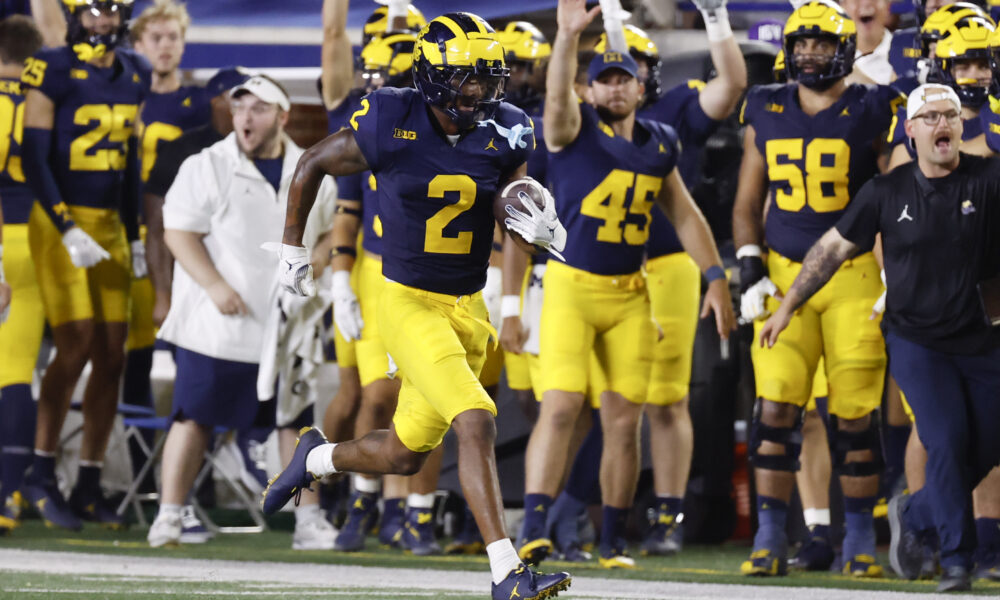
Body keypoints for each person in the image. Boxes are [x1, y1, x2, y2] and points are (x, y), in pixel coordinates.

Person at [262, 12, 571, 600]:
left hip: (468, 306)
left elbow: (513, 202)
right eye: (467, 79)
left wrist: (539, 225)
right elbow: (310, 165)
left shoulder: (507, 128)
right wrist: (293, 250)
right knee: (475, 420)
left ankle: (317, 459)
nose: (479, 91)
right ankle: (507, 572)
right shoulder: (390, 118)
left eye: (487, 78)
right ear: (431, 76)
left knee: (405, 454)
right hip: (406, 305)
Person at [519, 0, 735, 570]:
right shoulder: (571, 129)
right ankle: (534, 528)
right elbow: (556, 100)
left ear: (642, 88)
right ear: (590, 91)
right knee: (561, 406)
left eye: (624, 80)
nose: (614, 89)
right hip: (571, 285)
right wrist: (567, 37)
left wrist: (715, 277)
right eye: (604, 81)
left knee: (624, 418)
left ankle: (612, 538)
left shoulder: (662, 141)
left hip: (630, 292)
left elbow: (685, 214)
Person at [760, 83, 1000, 593]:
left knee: (988, 443)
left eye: (950, 115)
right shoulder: (886, 190)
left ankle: (916, 514)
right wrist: (787, 306)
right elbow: (830, 249)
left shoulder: (989, 178)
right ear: (909, 131)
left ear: (962, 126)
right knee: (949, 441)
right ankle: (957, 560)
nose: (942, 124)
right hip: (917, 341)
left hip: (983, 339)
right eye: (930, 116)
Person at [733, 0, 906, 577]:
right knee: (776, 410)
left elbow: (891, 193)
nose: (809, 54)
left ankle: (859, 539)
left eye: (821, 44)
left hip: (854, 273)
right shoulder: (764, 104)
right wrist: (749, 262)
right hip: (783, 272)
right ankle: (770, 535)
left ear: (844, 50)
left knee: (855, 415)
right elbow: (747, 200)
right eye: (800, 44)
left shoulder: (873, 105)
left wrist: (893, 273)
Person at [147, 75, 338, 550]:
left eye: (258, 109)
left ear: (282, 115)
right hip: (219, 323)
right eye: (239, 109)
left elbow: (335, 228)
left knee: (293, 424)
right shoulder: (206, 164)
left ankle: (307, 523)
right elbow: (176, 231)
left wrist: (321, 257)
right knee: (193, 417)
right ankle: (169, 514)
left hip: (286, 325)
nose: (245, 119)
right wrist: (213, 285)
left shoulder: (312, 166)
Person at [592, 2, 747, 558]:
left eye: (633, 66)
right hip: (594, 272)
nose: (621, 79)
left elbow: (730, 85)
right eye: (609, 69)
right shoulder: (581, 122)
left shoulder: (676, 109)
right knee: (601, 401)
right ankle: (586, 511)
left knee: (667, 400)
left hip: (666, 264)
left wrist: (715, 19)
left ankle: (667, 512)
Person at [319, 0, 445, 554]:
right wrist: (341, 278)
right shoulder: (365, 115)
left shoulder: (446, 117)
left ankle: (410, 511)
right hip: (378, 268)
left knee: (433, 400)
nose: (377, 81)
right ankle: (367, 501)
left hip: (437, 272)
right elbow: (348, 204)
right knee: (374, 395)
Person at [20, 0, 148, 530]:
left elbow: (131, 166)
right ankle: (40, 472)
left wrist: (136, 233)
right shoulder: (49, 65)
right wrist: (66, 224)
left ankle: (91, 482)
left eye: (114, 10)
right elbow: (34, 156)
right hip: (58, 224)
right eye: (96, 10)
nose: (105, 21)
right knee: (74, 345)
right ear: (75, 14)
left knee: (112, 356)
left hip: (110, 229)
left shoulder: (134, 71)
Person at [0, 14, 43, 534]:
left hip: (8, 241)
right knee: (16, 374)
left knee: (11, 375)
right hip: (39, 243)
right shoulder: (41, 100)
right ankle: (8, 493)